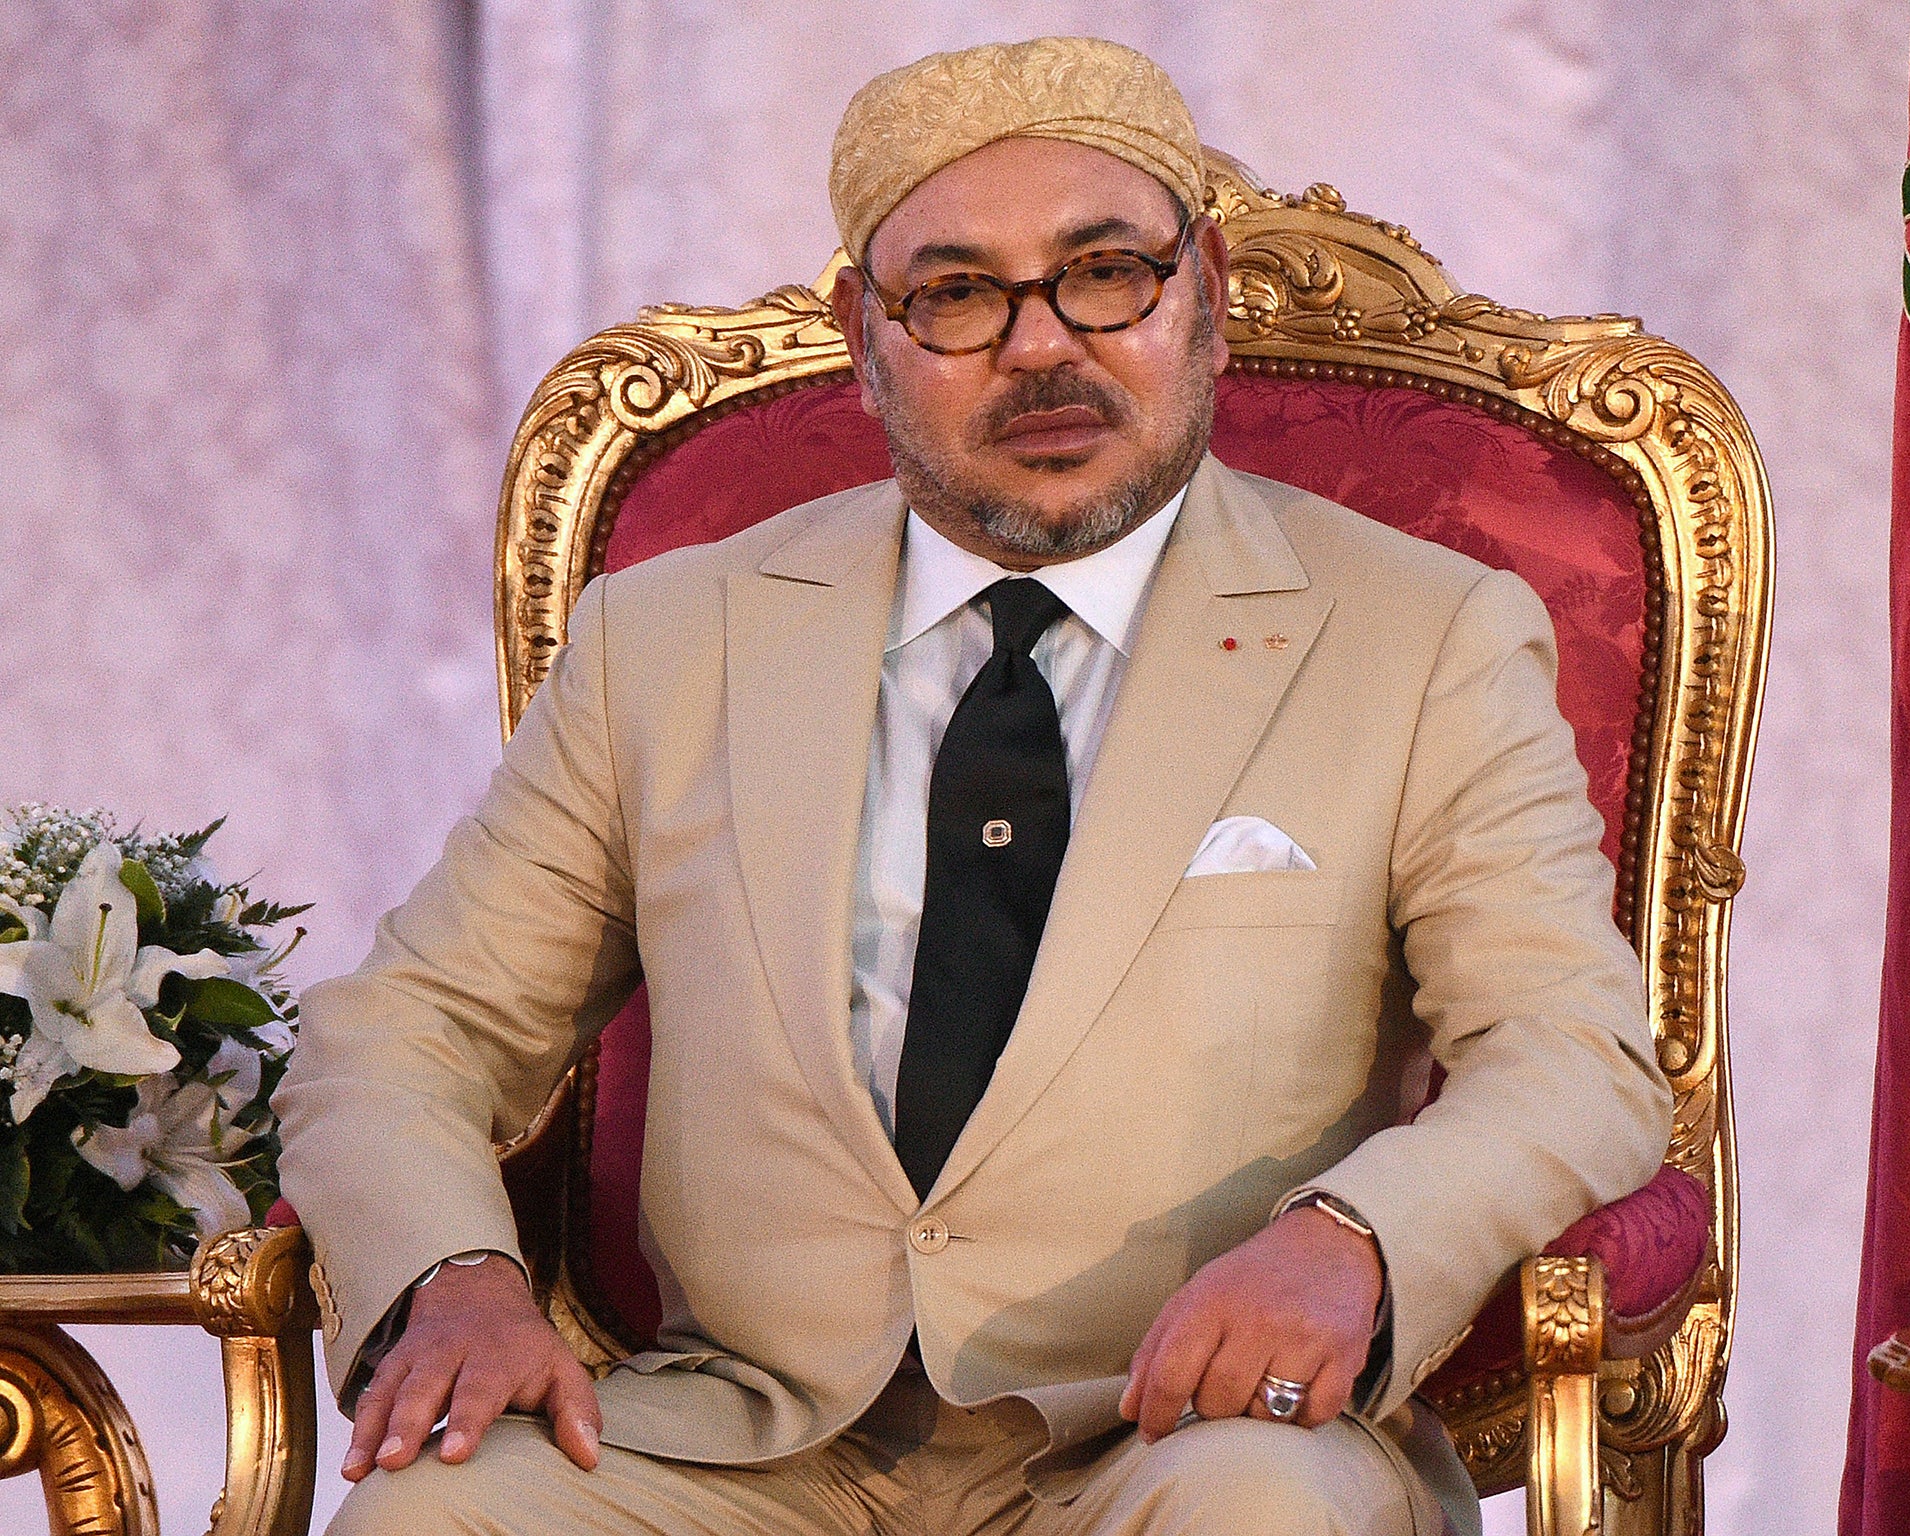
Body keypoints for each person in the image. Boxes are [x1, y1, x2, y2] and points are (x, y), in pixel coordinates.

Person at [276, 35, 1671, 1536]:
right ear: (863, 334)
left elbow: (1571, 1051)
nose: (1041, 347)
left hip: (1184, 1429)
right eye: (955, 295)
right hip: (744, 1445)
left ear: (1201, 286)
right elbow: (409, 1029)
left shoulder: (1421, 635)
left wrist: (1355, 1240)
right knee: (437, 1513)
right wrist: (456, 1278)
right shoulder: (670, 640)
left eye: (1106, 272)